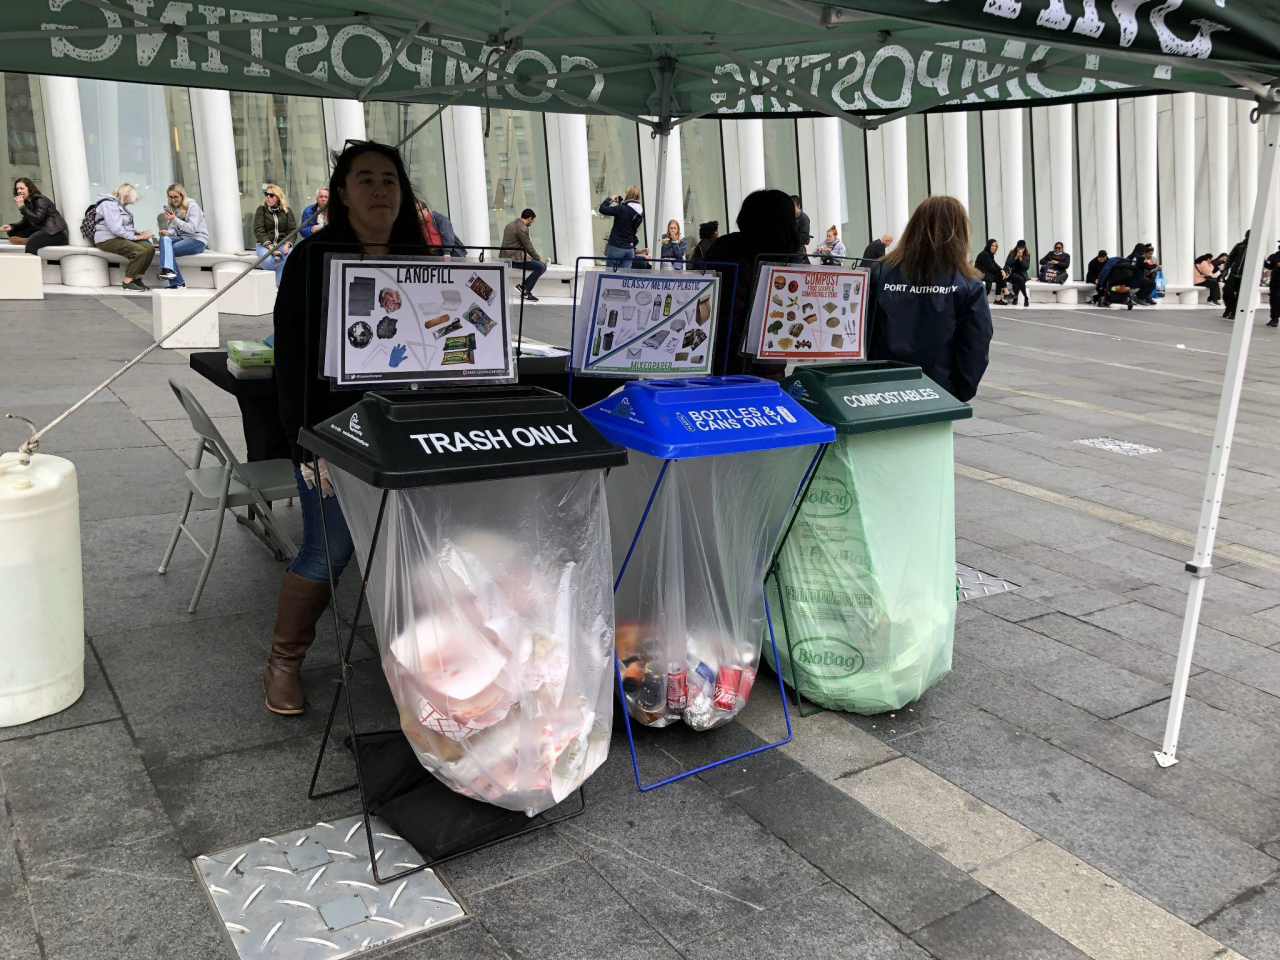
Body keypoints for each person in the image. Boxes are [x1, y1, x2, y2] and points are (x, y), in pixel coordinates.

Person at [268, 140, 427, 715]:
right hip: (329, 433)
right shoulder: (313, 260)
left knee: (411, 548)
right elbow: (290, 362)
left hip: (405, 430)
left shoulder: (423, 260)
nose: (380, 190)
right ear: (341, 193)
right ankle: (284, 660)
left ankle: (420, 662)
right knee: (330, 546)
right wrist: (306, 445)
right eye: (365, 179)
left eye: (389, 179)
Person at [870, 195, 992, 403]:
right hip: (937, 390)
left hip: (879, 388)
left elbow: (864, 332)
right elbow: (975, 345)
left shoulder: (880, 273)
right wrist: (960, 391)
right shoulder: (967, 283)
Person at [705, 189, 802, 380]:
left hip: (753, 364)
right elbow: (730, 324)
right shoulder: (742, 262)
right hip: (744, 370)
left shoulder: (763, 258)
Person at [92, 183, 154, 292]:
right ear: (124, 196)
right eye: (129, 200)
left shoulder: (119, 205)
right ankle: (127, 282)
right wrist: (134, 238)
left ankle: (137, 279)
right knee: (139, 251)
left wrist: (138, 233)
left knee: (149, 248)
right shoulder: (109, 205)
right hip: (107, 239)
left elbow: (125, 226)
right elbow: (116, 229)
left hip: (120, 237)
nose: (129, 203)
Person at [155, 183, 207, 289]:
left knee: (169, 249)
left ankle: (176, 281)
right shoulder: (172, 208)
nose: (173, 200)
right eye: (171, 197)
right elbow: (174, 229)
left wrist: (174, 219)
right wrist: (169, 232)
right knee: (164, 239)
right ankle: (170, 273)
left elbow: (192, 229)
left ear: (182, 196)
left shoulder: (192, 206)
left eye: (176, 197)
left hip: (197, 240)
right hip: (181, 237)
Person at [1, 178, 68, 256]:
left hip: (56, 233)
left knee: (32, 243)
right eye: (17, 189)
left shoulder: (40, 199)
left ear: (29, 189)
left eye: (21, 188)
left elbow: (37, 218)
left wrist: (22, 207)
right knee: (12, 232)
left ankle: (29, 265)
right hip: (41, 230)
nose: (19, 191)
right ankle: (31, 239)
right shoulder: (28, 202)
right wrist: (11, 226)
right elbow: (26, 222)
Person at [501, 208, 548, 301]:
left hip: (507, 257)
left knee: (540, 265)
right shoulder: (522, 228)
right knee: (541, 267)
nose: (532, 223)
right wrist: (539, 258)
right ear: (530, 218)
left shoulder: (510, 225)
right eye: (532, 221)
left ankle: (525, 289)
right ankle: (525, 289)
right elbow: (528, 247)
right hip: (513, 259)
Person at [254, 184, 296, 286]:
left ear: (278, 198)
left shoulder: (287, 211)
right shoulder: (261, 210)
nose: (268, 197)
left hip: (282, 243)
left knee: (291, 255)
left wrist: (288, 244)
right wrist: (269, 246)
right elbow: (259, 230)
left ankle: (277, 282)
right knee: (268, 260)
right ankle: (272, 283)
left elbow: (292, 230)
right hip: (264, 244)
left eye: (271, 195)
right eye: (266, 194)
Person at [599, 185, 643, 269]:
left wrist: (611, 198)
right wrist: (620, 204)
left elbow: (602, 209)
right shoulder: (640, 212)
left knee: (610, 275)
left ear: (628, 194)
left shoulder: (622, 209)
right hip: (630, 249)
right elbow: (629, 223)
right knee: (624, 277)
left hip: (617, 246)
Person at [1222, 232, 1250, 319]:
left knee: (1240, 295)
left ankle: (1234, 312)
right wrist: (1226, 268)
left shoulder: (1256, 248)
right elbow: (1231, 257)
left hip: (1245, 276)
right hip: (1233, 274)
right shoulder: (1239, 246)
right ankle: (1229, 307)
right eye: (1247, 235)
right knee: (1227, 291)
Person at [975, 239, 1007, 304]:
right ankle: (1005, 292)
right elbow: (991, 268)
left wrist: (1002, 270)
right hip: (982, 275)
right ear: (988, 245)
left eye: (995, 246)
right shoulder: (985, 254)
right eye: (992, 245)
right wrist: (1001, 272)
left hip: (986, 274)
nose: (993, 247)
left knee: (1000, 276)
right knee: (1000, 276)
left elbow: (995, 264)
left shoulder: (989, 254)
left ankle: (999, 298)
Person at [1005, 239, 1031, 307]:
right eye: (1019, 248)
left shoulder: (1027, 254)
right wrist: (1016, 257)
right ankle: (1026, 297)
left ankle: (1016, 298)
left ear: (1024, 248)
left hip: (1022, 274)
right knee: (1019, 279)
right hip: (1012, 273)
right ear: (1017, 247)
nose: (1020, 250)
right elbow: (1007, 264)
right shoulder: (1012, 253)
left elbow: (1026, 267)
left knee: (1016, 284)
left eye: (1022, 248)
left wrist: (1021, 259)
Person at [1265, 243, 1280, 327]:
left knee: (1278, 298)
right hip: (1274, 281)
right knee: (1273, 299)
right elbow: (1269, 266)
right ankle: (1274, 318)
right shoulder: (1276, 255)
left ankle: (1275, 318)